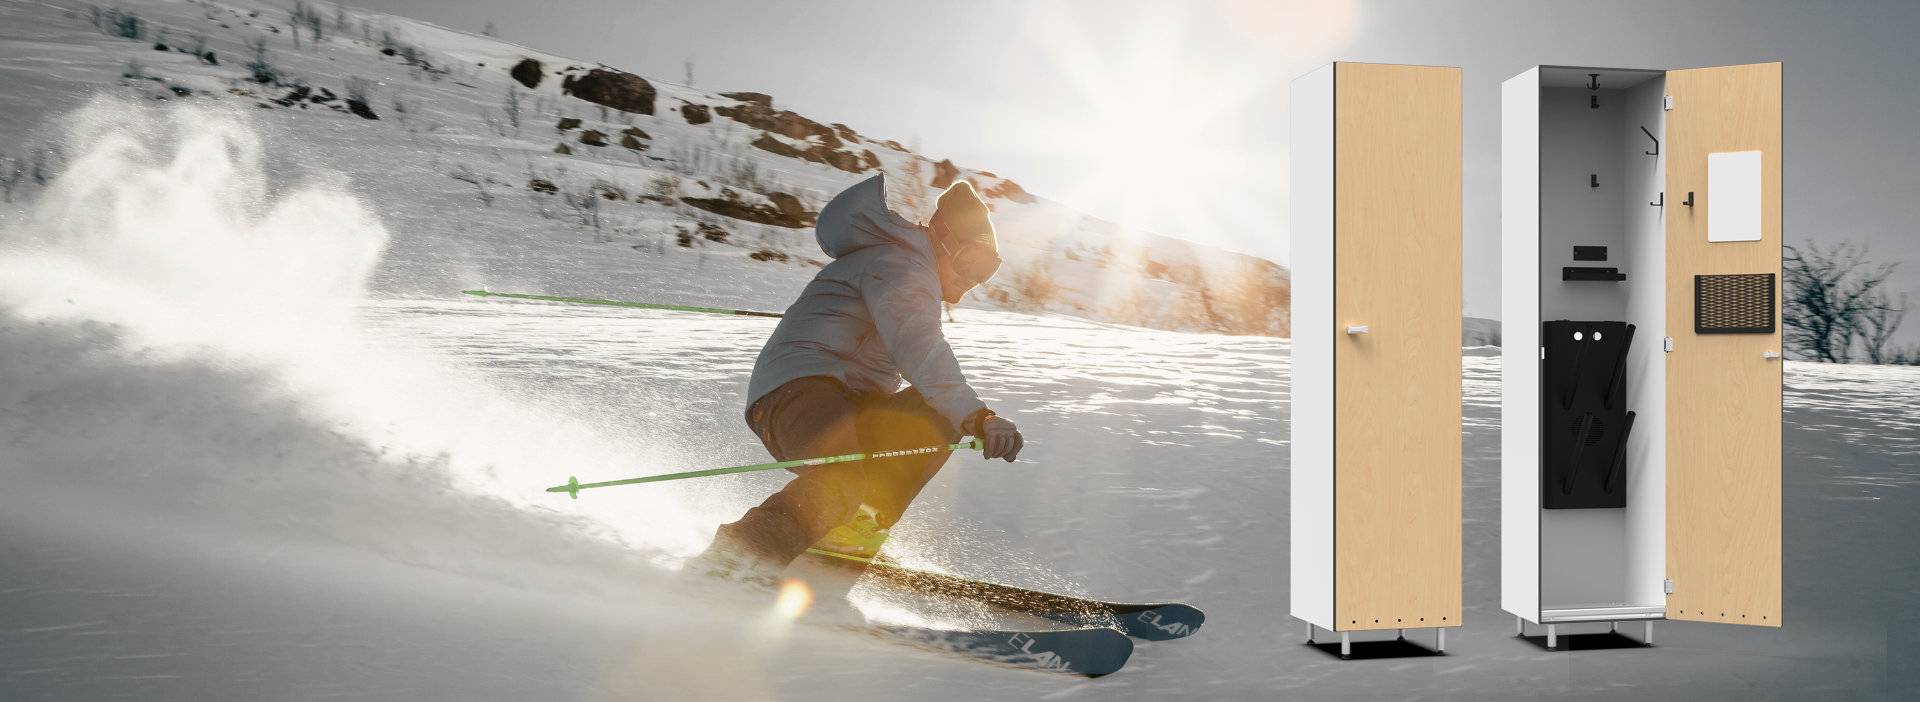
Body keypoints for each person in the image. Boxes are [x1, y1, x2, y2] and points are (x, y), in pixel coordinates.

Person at [693, 175, 1025, 582]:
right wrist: (978, 415)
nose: (972, 282)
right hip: (798, 393)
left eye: (987, 271)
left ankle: (849, 533)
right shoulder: (902, 263)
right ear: (943, 237)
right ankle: (738, 558)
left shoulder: (904, 266)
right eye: (973, 263)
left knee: (932, 413)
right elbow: (918, 346)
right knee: (845, 474)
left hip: (844, 399)